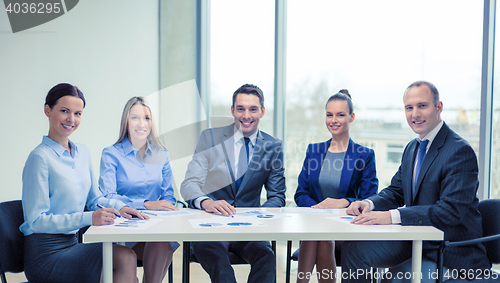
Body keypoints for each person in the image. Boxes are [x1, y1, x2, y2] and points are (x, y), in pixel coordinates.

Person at [342, 81, 491, 283]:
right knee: (355, 250)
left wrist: (391, 216)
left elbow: (450, 211)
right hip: (416, 240)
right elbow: (396, 191)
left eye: (422, 106)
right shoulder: (412, 148)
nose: (415, 114)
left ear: (438, 107)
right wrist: (369, 204)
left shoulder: (458, 151)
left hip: (449, 251)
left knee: (393, 280)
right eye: (409, 108)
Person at [20, 83, 147, 283]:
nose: (71, 119)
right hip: (45, 254)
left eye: (77, 113)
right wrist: (89, 218)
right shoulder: (39, 158)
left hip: (73, 244)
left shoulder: (82, 152)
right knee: (123, 259)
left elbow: (94, 199)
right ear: (47, 110)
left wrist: (121, 207)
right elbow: (36, 221)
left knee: (125, 258)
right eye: (64, 111)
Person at [180, 83, 286, 283]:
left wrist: (257, 217)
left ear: (262, 112)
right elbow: (189, 184)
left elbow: (277, 196)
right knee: (221, 267)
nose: (246, 115)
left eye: (253, 109)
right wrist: (207, 202)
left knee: (267, 258)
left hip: (250, 228)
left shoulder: (273, 146)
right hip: (211, 227)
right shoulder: (210, 138)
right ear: (232, 110)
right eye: (241, 109)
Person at [294, 90, 378, 283]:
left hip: (348, 226)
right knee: (319, 235)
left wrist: (343, 202)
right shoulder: (314, 151)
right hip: (316, 222)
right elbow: (300, 193)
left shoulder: (364, 155)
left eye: (340, 114)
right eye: (329, 114)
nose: (334, 120)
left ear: (352, 117)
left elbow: (371, 198)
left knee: (320, 235)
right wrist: (319, 209)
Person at [99, 96, 178, 283]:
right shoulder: (111, 154)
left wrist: (167, 207)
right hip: (122, 228)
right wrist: (145, 204)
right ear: (126, 121)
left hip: (152, 228)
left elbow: (169, 197)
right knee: (159, 245)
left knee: (162, 243)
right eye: (135, 117)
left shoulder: (162, 154)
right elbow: (106, 196)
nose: (141, 124)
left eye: (147, 118)